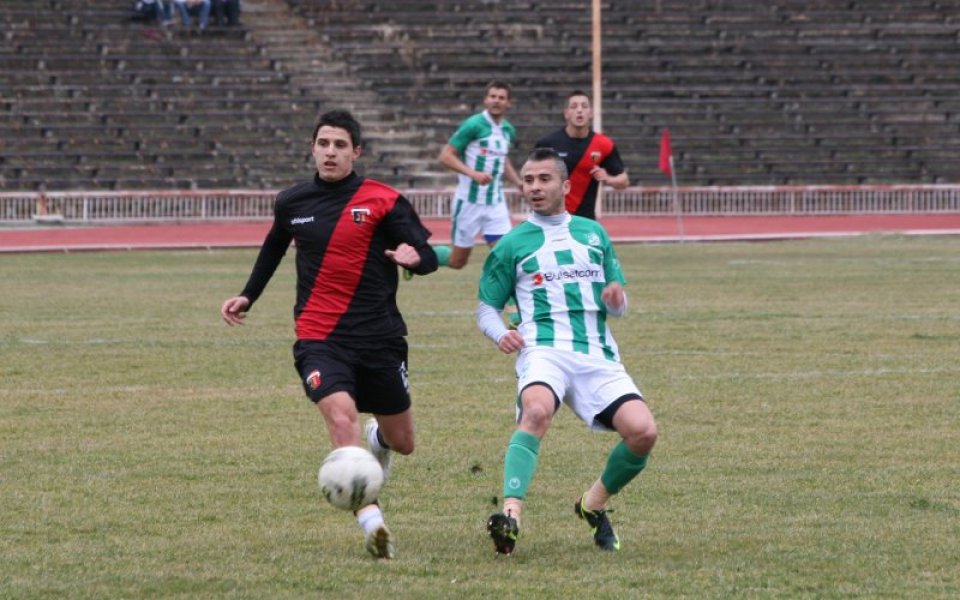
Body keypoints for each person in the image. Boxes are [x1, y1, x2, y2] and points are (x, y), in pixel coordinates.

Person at [220, 109, 438, 560]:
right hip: (320, 336)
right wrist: (248, 295)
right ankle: (373, 524)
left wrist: (415, 259)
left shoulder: (383, 200)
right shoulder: (292, 202)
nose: (331, 152)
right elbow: (273, 247)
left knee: (404, 443)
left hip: (380, 338)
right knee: (341, 419)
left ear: (356, 151)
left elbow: (427, 253)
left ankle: (378, 440)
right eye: (324, 144)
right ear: (313, 148)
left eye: (341, 145)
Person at [476, 147, 657, 555]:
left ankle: (592, 505)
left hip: (596, 353)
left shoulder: (593, 234)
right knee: (536, 410)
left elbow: (618, 305)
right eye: (528, 180)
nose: (535, 187)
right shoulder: (511, 244)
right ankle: (511, 515)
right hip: (543, 349)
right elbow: (487, 308)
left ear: (566, 185)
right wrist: (499, 333)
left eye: (544, 179)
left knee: (643, 433)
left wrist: (615, 300)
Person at [432, 80, 522, 270]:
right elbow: (445, 156)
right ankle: (420, 255)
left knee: (506, 257)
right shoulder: (474, 125)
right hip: (469, 203)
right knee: (458, 262)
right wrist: (472, 173)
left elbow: (502, 159)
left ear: (509, 103)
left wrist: (518, 182)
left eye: (501, 98)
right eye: (493, 97)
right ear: (485, 100)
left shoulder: (508, 130)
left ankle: (505, 299)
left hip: (495, 203)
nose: (496, 101)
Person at [534, 90, 630, 220]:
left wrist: (607, 178)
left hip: (585, 220)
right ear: (566, 113)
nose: (579, 110)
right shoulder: (548, 143)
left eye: (584, 106)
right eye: (574, 106)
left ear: (590, 113)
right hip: (552, 218)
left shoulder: (603, 144)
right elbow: (530, 178)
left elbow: (624, 181)